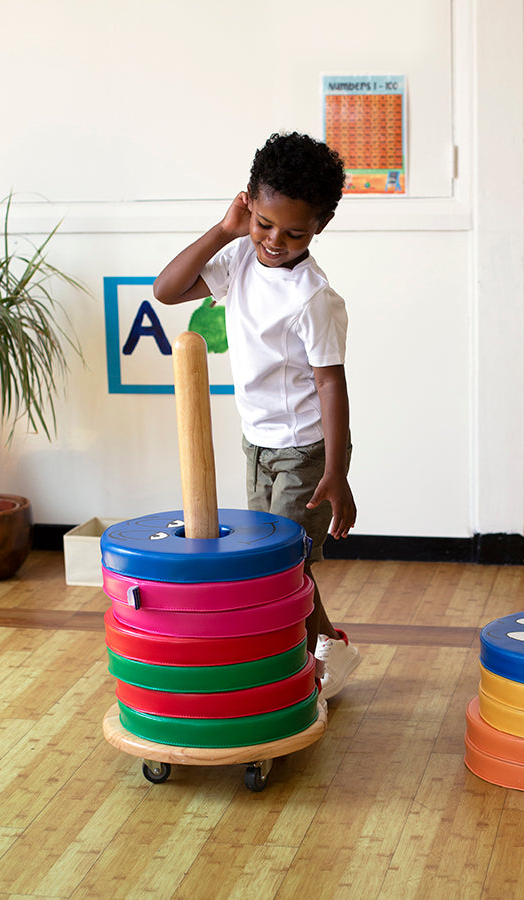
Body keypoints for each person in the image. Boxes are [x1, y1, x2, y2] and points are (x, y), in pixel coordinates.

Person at [153, 131, 360, 700]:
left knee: (283, 567)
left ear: (318, 227)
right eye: (264, 223)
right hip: (257, 442)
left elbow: (331, 384)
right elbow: (166, 289)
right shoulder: (241, 255)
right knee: (274, 564)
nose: (275, 241)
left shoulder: (313, 296)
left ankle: (304, 659)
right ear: (249, 203)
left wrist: (336, 472)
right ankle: (322, 650)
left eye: (295, 233)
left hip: (304, 450)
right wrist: (225, 230)